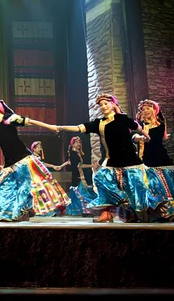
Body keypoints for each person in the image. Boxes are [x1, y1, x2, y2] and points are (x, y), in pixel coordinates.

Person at [57, 94, 154, 223]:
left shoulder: (122, 118)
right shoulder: (99, 123)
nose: (103, 107)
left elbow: (137, 127)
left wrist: (147, 137)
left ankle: (140, 214)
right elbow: (79, 127)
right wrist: (61, 127)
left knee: (137, 187)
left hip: (130, 161)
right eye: (101, 105)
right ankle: (113, 207)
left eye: (105, 104)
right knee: (99, 178)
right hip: (112, 161)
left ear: (113, 104)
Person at [133, 99, 174, 222]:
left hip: (159, 159)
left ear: (154, 110)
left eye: (148, 109)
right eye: (143, 109)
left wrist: (142, 136)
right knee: (147, 187)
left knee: (163, 186)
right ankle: (150, 213)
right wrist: (137, 136)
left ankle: (167, 212)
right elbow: (133, 136)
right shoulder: (139, 124)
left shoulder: (160, 124)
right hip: (144, 160)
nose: (145, 111)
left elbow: (154, 138)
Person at [55, 136, 98, 217]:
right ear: (72, 144)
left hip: (78, 175)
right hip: (77, 176)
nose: (78, 144)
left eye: (79, 142)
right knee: (82, 193)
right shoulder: (73, 153)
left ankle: (84, 210)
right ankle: (86, 211)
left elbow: (69, 161)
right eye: (76, 142)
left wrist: (60, 166)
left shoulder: (76, 153)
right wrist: (92, 165)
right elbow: (79, 165)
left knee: (80, 193)